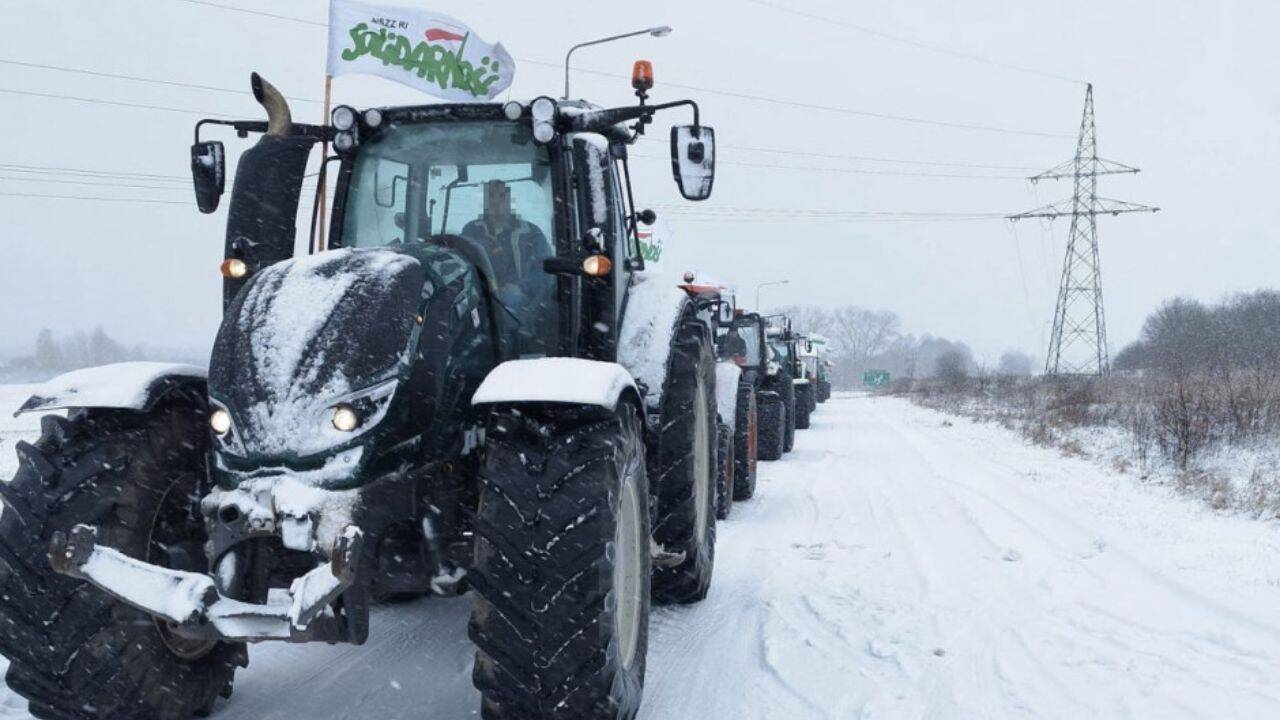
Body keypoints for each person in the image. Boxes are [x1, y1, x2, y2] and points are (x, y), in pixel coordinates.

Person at [460, 180, 552, 299]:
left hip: (525, 304)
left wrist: (522, 288)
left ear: (510, 200)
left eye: (502, 196)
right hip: (482, 298)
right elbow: (462, 265)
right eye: (491, 196)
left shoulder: (531, 233)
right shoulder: (471, 231)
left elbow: (543, 269)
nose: (496, 201)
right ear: (484, 202)